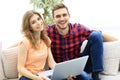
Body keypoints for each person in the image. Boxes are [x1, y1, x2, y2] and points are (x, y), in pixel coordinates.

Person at [46, 3, 118, 80]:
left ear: (69, 16)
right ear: (53, 18)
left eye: (64, 15)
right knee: (85, 77)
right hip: (60, 71)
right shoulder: (48, 31)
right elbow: (34, 36)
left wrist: (118, 41)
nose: (62, 19)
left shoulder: (78, 28)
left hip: (78, 67)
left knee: (96, 35)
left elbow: (99, 36)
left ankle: (96, 76)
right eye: (58, 16)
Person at [17, 10, 56, 80]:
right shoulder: (24, 42)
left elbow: (51, 63)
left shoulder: (46, 40)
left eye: (39, 19)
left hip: (41, 74)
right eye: (33, 22)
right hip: (27, 77)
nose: (38, 23)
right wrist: (36, 78)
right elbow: (20, 68)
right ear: (29, 27)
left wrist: (63, 73)